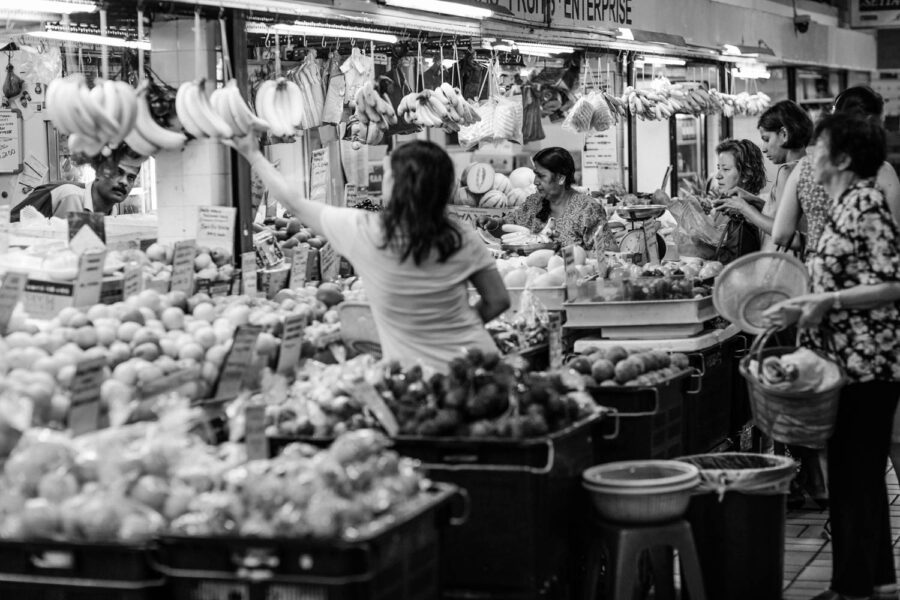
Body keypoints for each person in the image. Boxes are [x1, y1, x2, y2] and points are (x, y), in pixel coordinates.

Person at [764, 113, 900, 600]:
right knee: (855, 476)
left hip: (867, 364)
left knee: (853, 476)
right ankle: (875, 582)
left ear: (842, 159)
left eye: (819, 150)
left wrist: (828, 303)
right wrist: (802, 306)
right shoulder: (844, 205)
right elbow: (840, 281)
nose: (810, 159)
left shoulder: (864, 204)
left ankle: (853, 587)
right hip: (845, 360)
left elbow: (892, 283)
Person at [231, 136, 510, 373]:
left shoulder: (367, 232)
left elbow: (294, 203)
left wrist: (252, 153)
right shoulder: (461, 236)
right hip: (477, 365)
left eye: (387, 175)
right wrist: (452, 328)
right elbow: (497, 300)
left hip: (415, 382)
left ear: (396, 185)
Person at [715, 100, 813, 252]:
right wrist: (753, 200)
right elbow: (786, 215)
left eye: (766, 139)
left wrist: (743, 208)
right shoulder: (806, 166)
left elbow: (781, 233)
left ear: (784, 134)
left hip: (784, 264)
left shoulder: (787, 171)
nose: (764, 149)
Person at [480, 147, 613, 251]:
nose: (536, 181)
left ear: (561, 178)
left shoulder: (588, 209)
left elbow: (607, 253)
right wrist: (491, 224)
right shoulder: (533, 203)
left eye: (541, 176)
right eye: (535, 175)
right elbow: (508, 228)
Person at [11, 153, 142, 222]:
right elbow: (7, 228)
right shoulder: (64, 193)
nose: (124, 182)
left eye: (131, 177)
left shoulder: (113, 214)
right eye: (118, 172)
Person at [703, 139, 768, 263]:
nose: (718, 176)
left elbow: (738, 260)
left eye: (726, 169)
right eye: (718, 168)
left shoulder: (745, 213)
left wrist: (698, 247)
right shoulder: (725, 204)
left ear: (746, 174)